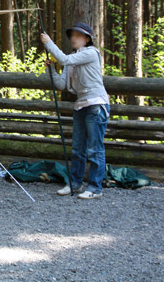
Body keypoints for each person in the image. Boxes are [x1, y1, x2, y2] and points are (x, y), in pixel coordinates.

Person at [40, 22, 110, 200]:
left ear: (87, 39)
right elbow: (62, 85)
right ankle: (76, 183)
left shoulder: (90, 53)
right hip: (80, 106)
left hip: (96, 105)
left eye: (78, 35)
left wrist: (49, 43)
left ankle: (95, 187)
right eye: (72, 35)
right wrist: (52, 70)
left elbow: (64, 59)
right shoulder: (72, 59)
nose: (74, 38)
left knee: (95, 149)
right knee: (78, 148)